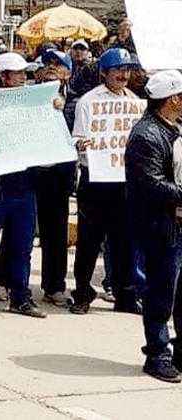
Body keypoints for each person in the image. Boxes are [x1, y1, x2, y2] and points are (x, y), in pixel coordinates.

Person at [0, 53, 48, 321]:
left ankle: (20, 297)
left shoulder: (31, 104)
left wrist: (54, 107)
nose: (23, 78)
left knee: (22, 245)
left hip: (24, 185)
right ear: (3, 76)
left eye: (25, 73)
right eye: (18, 74)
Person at [68, 48, 143, 315]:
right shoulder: (88, 102)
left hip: (124, 181)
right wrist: (82, 144)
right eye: (118, 70)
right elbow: (76, 138)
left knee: (125, 241)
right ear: (104, 73)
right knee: (89, 240)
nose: (123, 75)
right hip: (96, 180)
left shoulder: (136, 103)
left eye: (127, 70)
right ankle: (82, 293)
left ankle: (126, 294)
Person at [125, 70, 182, 383]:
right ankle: (157, 354)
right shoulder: (147, 135)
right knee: (161, 291)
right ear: (172, 98)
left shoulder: (172, 129)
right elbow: (152, 185)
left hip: (176, 224)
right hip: (160, 227)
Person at [29, 49, 77, 307]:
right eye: (48, 63)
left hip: (58, 177)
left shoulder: (75, 102)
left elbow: (77, 135)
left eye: (58, 65)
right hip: (28, 172)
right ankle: (8, 282)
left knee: (55, 232)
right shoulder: (26, 96)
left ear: (68, 73)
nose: (51, 67)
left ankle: (54, 286)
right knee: (21, 231)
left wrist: (60, 112)